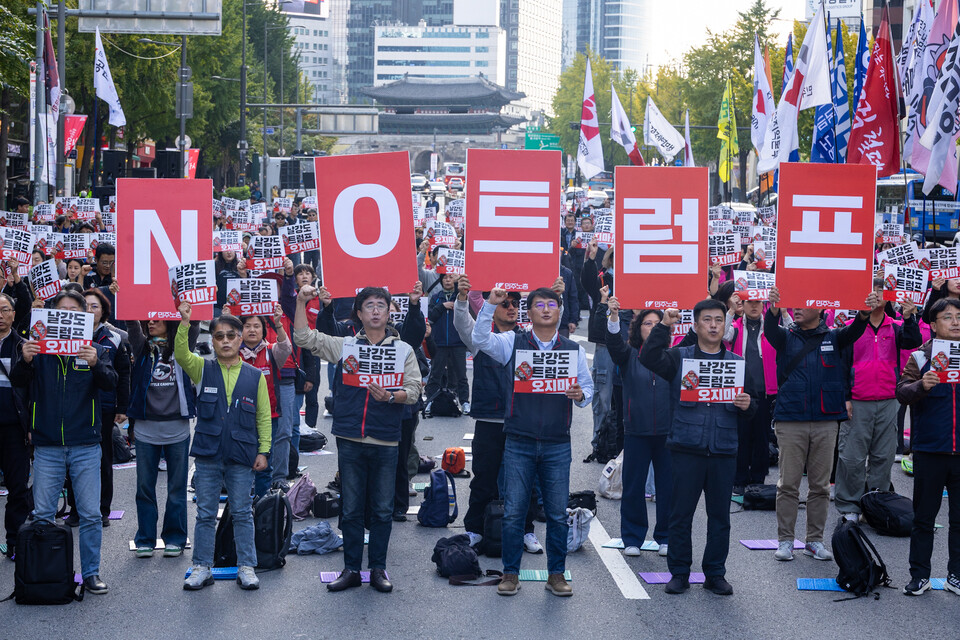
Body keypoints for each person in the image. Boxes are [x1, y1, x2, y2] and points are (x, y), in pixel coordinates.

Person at [294, 285, 423, 593]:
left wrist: (392, 397)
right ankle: (351, 568)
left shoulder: (402, 349)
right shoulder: (346, 345)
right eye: (369, 306)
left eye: (381, 305)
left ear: (390, 311)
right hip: (350, 437)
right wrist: (301, 301)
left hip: (386, 440)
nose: (376, 310)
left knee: (381, 508)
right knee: (351, 508)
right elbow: (304, 338)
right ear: (359, 313)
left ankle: (378, 568)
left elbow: (416, 389)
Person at [471, 286, 593, 598]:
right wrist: (489, 306)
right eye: (539, 304)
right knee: (513, 512)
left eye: (552, 304)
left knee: (555, 514)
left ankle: (556, 575)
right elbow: (480, 340)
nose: (546, 309)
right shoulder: (514, 342)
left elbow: (588, 388)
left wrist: (581, 395)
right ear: (530, 312)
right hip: (519, 440)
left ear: (560, 312)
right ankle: (510, 574)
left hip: (557, 443)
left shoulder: (572, 349)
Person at [640, 299, 755, 596]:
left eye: (719, 320)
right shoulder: (680, 358)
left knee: (720, 517)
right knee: (680, 515)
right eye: (707, 320)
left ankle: (715, 573)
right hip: (686, 447)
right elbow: (649, 357)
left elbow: (753, 406)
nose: (714, 325)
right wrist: (665, 325)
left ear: (725, 325)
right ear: (695, 325)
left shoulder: (737, 363)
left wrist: (748, 405)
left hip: (723, 449)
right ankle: (679, 573)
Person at [10, 289, 118, 594]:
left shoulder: (97, 349)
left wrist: (97, 362)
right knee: (43, 513)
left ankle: (91, 573)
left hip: (85, 444)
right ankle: (44, 573)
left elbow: (110, 384)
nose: (68, 315)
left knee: (90, 514)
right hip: (47, 446)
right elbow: (19, 383)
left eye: (74, 311)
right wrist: (26, 360)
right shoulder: (37, 350)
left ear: (84, 317)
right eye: (62, 310)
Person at [763, 287, 876, 562]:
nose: (796, 309)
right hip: (791, 420)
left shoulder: (834, 338)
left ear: (820, 308)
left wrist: (864, 312)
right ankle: (786, 541)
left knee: (820, 487)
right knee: (787, 484)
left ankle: (814, 540)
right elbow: (769, 328)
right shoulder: (784, 338)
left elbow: (856, 330)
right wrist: (774, 307)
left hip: (826, 421)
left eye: (802, 304)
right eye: (793, 305)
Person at [175, 304, 271, 591]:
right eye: (219, 336)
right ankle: (202, 567)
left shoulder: (256, 376)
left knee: (242, 512)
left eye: (231, 335)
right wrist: (185, 321)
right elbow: (181, 353)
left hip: (242, 455)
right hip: (208, 453)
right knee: (205, 513)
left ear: (241, 339)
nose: (226, 341)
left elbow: (263, 416)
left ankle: (247, 567)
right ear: (213, 341)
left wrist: (263, 451)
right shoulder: (202, 368)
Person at [454, 276, 543, 554]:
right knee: (484, 477)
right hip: (489, 420)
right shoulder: (482, 337)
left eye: (516, 303)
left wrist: (554, 295)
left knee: (524, 479)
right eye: (505, 303)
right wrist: (461, 299)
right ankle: (475, 530)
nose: (512, 308)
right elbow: (461, 323)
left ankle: (527, 530)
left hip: (522, 421)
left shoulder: (530, 339)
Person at [835, 280, 921, 522]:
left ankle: (876, 502)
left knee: (882, 457)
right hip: (857, 401)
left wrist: (909, 317)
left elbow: (912, 340)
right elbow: (841, 366)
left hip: (888, 400)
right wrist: (846, 398)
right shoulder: (851, 328)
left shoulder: (895, 327)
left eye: (882, 291)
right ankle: (849, 506)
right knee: (851, 456)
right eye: (872, 290)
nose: (876, 295)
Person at [896, 298, 960, 596]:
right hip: (930, 450)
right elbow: (901, 392)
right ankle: (919, 575)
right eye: (948, 317)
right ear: (933, 325)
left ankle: (956, 575)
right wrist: (922, 385)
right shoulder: (920, 358)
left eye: (959, 317)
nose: (956, 322)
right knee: (924, 517)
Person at [128, 317, 199, 558]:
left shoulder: (181, 346)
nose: (150, 324)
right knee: (145, 488)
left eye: (157, 320)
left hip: (176, 429)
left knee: (176, 488)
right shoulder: (142, 347)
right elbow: (131, 323)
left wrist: (188, 313)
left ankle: (175, 538)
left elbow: (194, 325)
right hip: (146, 430)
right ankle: (146, 538)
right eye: (148, 320)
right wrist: (124, 296)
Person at [606, 301, 671, 557]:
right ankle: (632, 538)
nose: (653, 327)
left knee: (668, 487)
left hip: (667, 432)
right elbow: (612, 343)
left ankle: (665, 536)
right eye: (647, 323)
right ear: (637, 328)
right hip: (636, 430)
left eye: (658, 323)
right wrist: (612, 315)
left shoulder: (672, 356)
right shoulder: (628, 354)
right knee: (633, 486)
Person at [63, 289, 130, 527]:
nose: (90, 311)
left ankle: (102, 508)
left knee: (102, 458)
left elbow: (123, 374)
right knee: (71, 459)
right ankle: (75, 509)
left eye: (95, 307)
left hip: (102, 406)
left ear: (103, 311)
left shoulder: (115, 337)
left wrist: (122, 406)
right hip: (74, 405)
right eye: (86, 306)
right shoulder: (64, 336)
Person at [230, 307, 292, 498]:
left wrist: (279, 324)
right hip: (238, 418)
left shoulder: (272, 352)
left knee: (264, 464)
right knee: (239, 464)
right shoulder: (232, 353)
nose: (252, 330)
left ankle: (263, 509)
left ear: (264, 330)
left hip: (268, 417)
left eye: (257, 326)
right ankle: (240, 507)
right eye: (247, 326)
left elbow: (287, 348)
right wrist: (227, 320)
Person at [723, 295, 781, 492]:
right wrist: (730, 310)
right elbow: (722, 335)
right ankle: (739, 479)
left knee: (762, 437)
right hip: (740, 390)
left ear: (763, 304)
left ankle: (758, 479)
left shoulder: (772, 326)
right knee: (741, 435)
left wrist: (781, 309)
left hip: (765, 390)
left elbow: (790, 332)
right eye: (750, 302)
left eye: (758, 302)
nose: (754, 306)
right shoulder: (736, 327)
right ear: (743, 304)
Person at [0, 293, 30, 560]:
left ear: (13, 314)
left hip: (14, 427)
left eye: (4, 310)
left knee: (17, 487)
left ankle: (15, 541)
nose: (0, 315)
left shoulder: (23, 346)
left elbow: (32, 390)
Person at [425, 273, 470, 415]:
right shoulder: (436, 297)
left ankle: (464, 402)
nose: (448, 280)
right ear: (441, 280)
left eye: (451, 277)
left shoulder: (461, 296)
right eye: (445, 278)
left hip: (458, 342)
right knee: (435, 374)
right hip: (439, 342)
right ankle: (430, 401)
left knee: (461, 374)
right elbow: (431, 316)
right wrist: (442, 306)